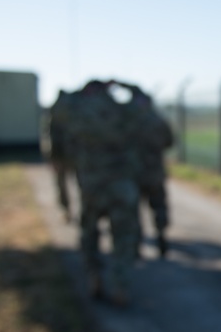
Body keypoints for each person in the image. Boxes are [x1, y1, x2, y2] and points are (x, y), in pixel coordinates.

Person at [65, 79, 140, 307]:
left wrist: (84, 90)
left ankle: (94, 276)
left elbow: (61, 107)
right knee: (123, 237)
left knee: (89, 233)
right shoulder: (122, 110)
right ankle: (120, 286)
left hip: (91, 185)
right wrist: (124, 85)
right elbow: (143, 99)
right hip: (121, 185)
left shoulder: (79, 112)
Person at [124, 82, 174, 257]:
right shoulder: (157, 120)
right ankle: (161, 234)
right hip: (155, 172)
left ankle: (137, 243)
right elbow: (170, 141)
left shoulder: (127, 121)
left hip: (134, 173)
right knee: (158, 206)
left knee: (134, 209)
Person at [43, 89, 73, 222]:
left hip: (64, 155)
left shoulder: (55, 111)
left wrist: (51, 156)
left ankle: (66, 210)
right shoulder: (74, 110)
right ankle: (66, 209)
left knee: (62, 184)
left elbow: (49, 135)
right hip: (66, 155)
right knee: (65, 184)